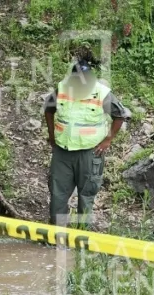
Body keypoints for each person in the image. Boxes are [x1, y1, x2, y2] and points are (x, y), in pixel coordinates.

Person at [44, 48, 130, 227]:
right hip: (63, 151)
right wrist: (51, 136)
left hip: (90, 153)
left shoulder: (102, 93)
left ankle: (82, 235)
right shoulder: (62, 89)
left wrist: (108, 139)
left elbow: (120, 115)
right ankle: (56, 235)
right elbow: (49, 110)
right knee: (58, 194)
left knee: (86, 195)